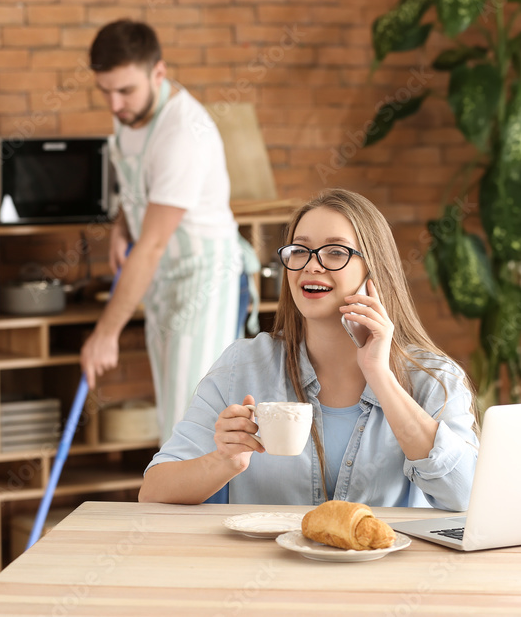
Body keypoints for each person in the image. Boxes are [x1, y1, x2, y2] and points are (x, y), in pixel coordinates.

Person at [140, 189, 479, 511]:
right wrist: (223, 461)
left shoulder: (434, 378)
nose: (311, 265)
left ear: (374, 270)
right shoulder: (242, 366)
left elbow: (467, 496)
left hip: (385, 557)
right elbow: (154, 492)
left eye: (336, 252)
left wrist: (380, 376)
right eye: (300, 251)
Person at [82, 20, 249, 444]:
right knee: (173, 422)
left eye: (125, 90)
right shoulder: (130, 115)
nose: (115, 104)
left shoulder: (182, 133)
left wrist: (105, 334)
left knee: (194, 423)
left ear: (159, 72)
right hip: (162, 278)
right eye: (105, 91)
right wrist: (123, 225)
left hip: (204, 279)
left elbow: (154, 243)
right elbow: (140, 188)